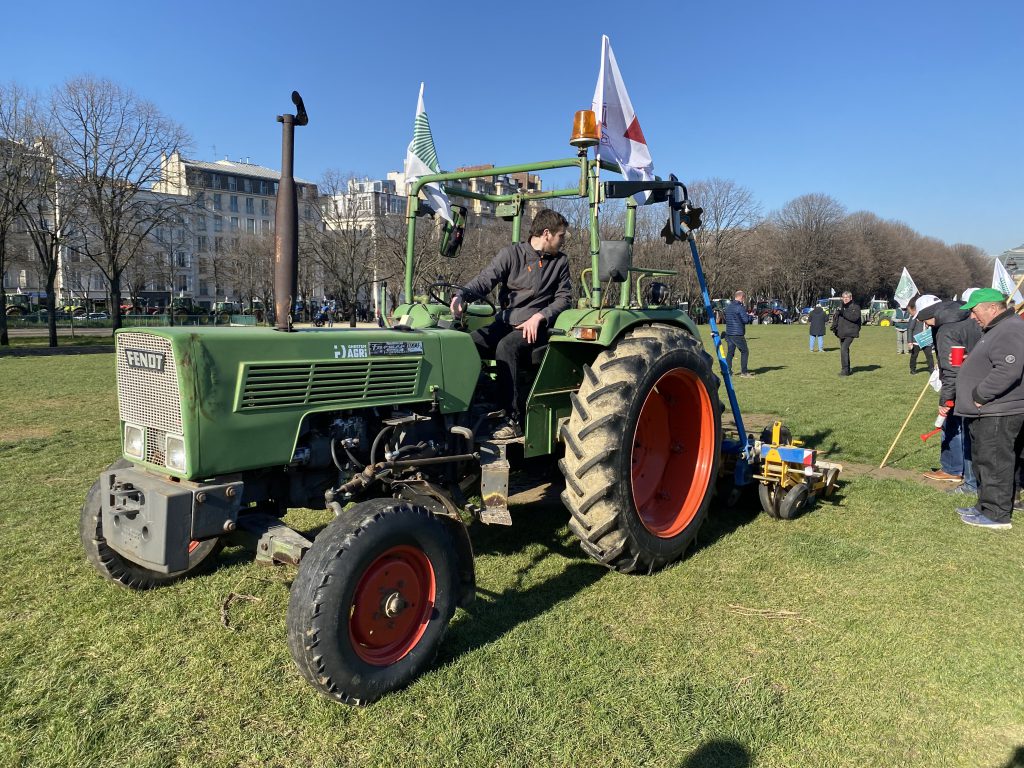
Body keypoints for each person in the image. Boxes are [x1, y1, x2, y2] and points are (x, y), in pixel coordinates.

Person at [450, 208, 573, 440]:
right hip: (507, 321)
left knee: (506, 347)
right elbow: (485, 279)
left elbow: (564, 299)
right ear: (547, 234)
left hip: (537, 327)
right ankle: (477, 402)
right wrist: (461, 296)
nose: (562, 240)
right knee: (465, 344)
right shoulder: (512, 254)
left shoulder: (560, 262)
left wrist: (540, 316)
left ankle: (512, 419)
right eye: (561, 236)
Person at [952, 288, 1024, 530]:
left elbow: (1009, 368)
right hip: (993, 409)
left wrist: (980, 394)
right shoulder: (998, 328)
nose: (973, 316)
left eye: (974, 311)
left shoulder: (1009, 329)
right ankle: (987, 504)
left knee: (994, 461)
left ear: (992, 308)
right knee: (988, 460)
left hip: (998, 410)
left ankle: (996, 514)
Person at [915, 293, 982, 484]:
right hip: (979, 382)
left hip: (961, 385)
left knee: (953, 425)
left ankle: (954, 470)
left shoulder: (946, 330)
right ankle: (968, 475)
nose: (926, 325)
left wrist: (945, 400)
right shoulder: (969, 319)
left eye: (925, 320)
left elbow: (952, 371)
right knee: (969, 430)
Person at [724, 290, 754, 377]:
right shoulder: (740, 308)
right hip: (737, 334)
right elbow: (745, 320)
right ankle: (744, 372)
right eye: (744, 298)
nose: (744, 300)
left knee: (730, 353)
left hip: (729, 333)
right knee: (745, 351)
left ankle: (728, 371)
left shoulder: (728, 307)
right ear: (741, 297)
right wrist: (751, 317)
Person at [831, 291, 862, 376]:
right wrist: (834, 326)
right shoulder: (841, 307)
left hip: (851, 332)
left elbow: (854, 318)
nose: (845, 299)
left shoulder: (855, 307)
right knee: (845, 350)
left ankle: (844, 370)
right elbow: (837, 318)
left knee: (843, 349)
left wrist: (843, 312)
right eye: (844, 298)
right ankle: (847, 369)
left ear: (851, 298)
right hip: (841, 332)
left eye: (847, 298)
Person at [905, 296, 935, 375]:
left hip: (926, 338)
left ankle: (931, 370)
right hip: (916, 340)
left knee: (929, 355)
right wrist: (910, 341)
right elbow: (910, 329)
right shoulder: (914, 317)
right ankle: (913, 369)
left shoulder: (929, 316)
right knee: (914, 356)